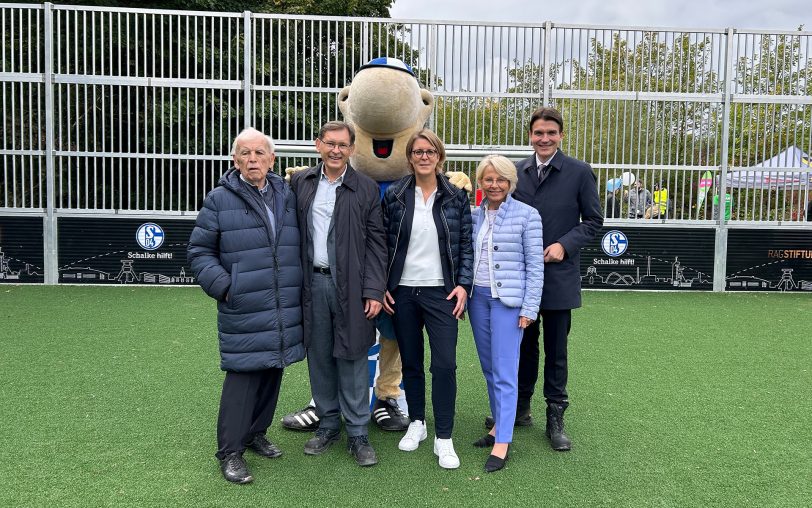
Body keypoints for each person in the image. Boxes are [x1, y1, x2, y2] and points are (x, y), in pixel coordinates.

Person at [187, 128, 304, 484]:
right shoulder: (219, 199)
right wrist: (225, 287)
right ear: (235, 160)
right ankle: (230, 452)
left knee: (273, 370)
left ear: (272, 159)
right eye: (245, 154)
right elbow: (199, 251)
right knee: (243, 375)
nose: (253, 160)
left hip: (284, 304)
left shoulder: (287, 194)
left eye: (259, 153)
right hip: (244, 303)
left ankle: (255, 433)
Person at [500, 107, 603, 451]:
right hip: (522, 278)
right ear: (530, 135)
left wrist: (564, 245)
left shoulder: (579, 172)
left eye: (551, 133)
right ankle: (520, 409)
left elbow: (592, 221)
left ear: (561, 135)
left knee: (556, 351)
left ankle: (556, 417)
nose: (544, 139)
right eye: (538, 133)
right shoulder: (515, 172)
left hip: (559, 277)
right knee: (524, 347)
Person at [289, 121, 387, 467]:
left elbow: (378, 243)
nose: (335, 150)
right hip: (311, 284)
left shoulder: (366, 188)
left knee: (354, 355)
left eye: (342, 145)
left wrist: (374, 288)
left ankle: (358, 431)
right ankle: (329, 424)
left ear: (352, 149)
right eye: (329, 144)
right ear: (318, 145)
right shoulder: (300, 183)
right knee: (319, 355)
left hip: (352, 286)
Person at [382, 129, 473, 469]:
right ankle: (417, 422)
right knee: (411, 362)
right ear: (410, 157)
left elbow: (466, 245)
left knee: (445, 364)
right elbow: (382, 244)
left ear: (439, 156)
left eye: (430, 151)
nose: (423, 156)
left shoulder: (456, 196)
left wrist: (463, 285)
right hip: (403, 291)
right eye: (418, 151)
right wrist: (383, 286)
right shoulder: (394, 194)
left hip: (442, 292)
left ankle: (444, 437)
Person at [468, 155, 543, 472]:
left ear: (511, 183)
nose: (494, 185)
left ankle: (503, 442)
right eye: (488, 179)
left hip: (508, 303)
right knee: (489, 367)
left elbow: (535, 267)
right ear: (480, 183)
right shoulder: (474, 215)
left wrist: (530, 308)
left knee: (505, 371)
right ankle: (498, 424)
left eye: (500, 179)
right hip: (477, 298)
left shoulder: (528, 215)